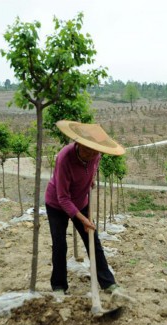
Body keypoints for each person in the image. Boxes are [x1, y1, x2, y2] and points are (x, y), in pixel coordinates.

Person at [45, 120, 126, 295]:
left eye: (95, 151)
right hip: (57, 204)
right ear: (79, 143)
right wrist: (83, 220)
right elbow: (63, 197)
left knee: (93, 242)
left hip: (81, 201)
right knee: (59, 244)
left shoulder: (96, 155)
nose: (91, 154)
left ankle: (108, 283)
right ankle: (59, 286)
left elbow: (89, 170)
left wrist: (90, 181)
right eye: (87, 150)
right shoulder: (64, 157)